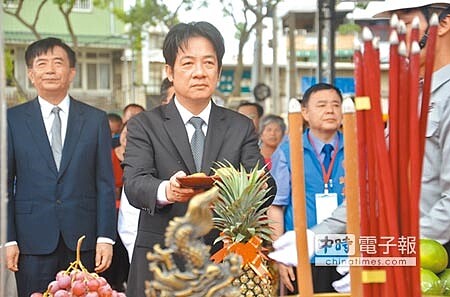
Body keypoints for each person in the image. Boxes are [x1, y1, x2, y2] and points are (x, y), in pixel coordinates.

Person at [122, 21, 274, 297]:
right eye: (188, 63)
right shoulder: (144, 125)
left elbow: (265, 185)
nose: (199, 73)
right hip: (162, 260)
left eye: (208, 63)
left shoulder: (240, 126)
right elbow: (134, 183)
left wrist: (239, 191)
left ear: (218, 71)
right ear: (169, 71)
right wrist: (167, 190)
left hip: (225, 261)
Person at [5, 37, 116, 297]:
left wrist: (105, 237)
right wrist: (8, 239)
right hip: (31, 241)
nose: (51, 70)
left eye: (58, 63)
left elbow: (104, 184)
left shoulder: (95, 119)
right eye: (41, 64)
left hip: (84, 241)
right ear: (31, 74)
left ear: (72, 72)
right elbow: (5, 186)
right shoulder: (12, 119)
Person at [268, 83, 345, 293]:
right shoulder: (287, 151)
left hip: (348, 255)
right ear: (304, 112)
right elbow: (276, 207)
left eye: (336, 105)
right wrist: (281, 255)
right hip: (302, 254)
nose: (330, 110)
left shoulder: (357, 148)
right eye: (321, 105)